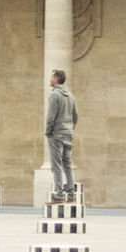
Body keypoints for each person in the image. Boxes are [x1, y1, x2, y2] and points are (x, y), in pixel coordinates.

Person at [44, 69, 78, 204]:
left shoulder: (54, 95)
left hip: (57, 134)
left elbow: (51, 116)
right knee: (67, 165)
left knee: (56, 165)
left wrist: (48, 131)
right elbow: (75, 116)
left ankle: (58, 194)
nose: (50, 80)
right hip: (68, 133)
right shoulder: (70, 95)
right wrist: (70, 128)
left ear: (57, 79)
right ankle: (71, 195)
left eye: (52, 77)